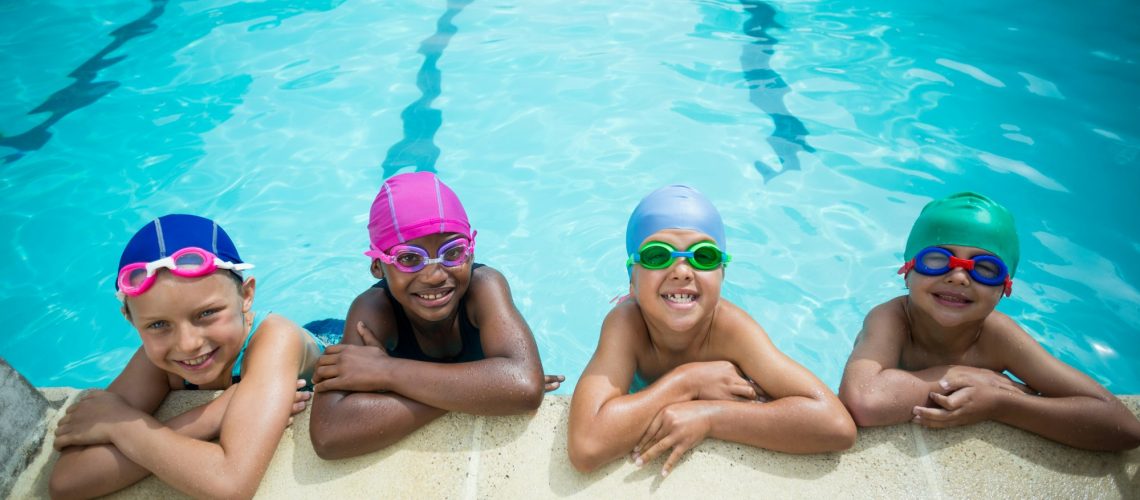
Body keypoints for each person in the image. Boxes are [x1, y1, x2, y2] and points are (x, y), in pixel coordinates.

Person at [568, 185, 855, 476]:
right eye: (657, 255)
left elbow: (835, 423)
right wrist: (687, 382)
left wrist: (710, 416)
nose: (682, 270)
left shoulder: (732, 329)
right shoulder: (626, 324)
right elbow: (586, 446)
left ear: (722, 275)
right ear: (632, 281)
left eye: (703, 256)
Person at [839, 192, 1140, 450]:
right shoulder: (890, 319)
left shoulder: (997, 335)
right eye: (937, 259)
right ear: (908, 270)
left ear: (1004, 289)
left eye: (984, 268)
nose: (958, 277)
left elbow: (1122, 426)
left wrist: (1001, 404)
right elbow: (865, 400)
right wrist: (967, 375)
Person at [50, 214, 322, 499]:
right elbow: (67, 481)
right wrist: (210, 417)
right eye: (158, 325)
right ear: (131, 321)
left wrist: (120, 425)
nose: (188, 344)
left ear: (246, 295)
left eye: (206, 313)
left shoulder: (276, 339)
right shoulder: (156, 360)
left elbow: (231, 483)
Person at [309, 172, 561, 459]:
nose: (434, 275)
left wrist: (387, 372)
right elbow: (329, 434)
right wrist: (484, 393)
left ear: (470, 251)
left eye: (452, 252)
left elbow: (523, 387)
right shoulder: (373, 310)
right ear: (378, 267)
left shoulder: (484, 286)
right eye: (408, 258)